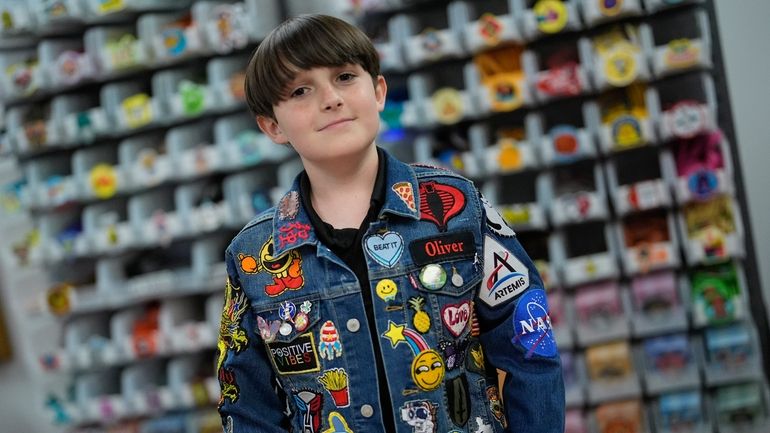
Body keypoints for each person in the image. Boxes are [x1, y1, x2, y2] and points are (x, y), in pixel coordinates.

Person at [216, 13, 564, 433]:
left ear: (378, 91)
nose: (331, 99)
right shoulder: (255, 256)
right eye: (301, 90)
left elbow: (531, 347)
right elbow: (246, 407)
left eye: (345, 77)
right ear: (272, 126)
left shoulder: (455, 207)